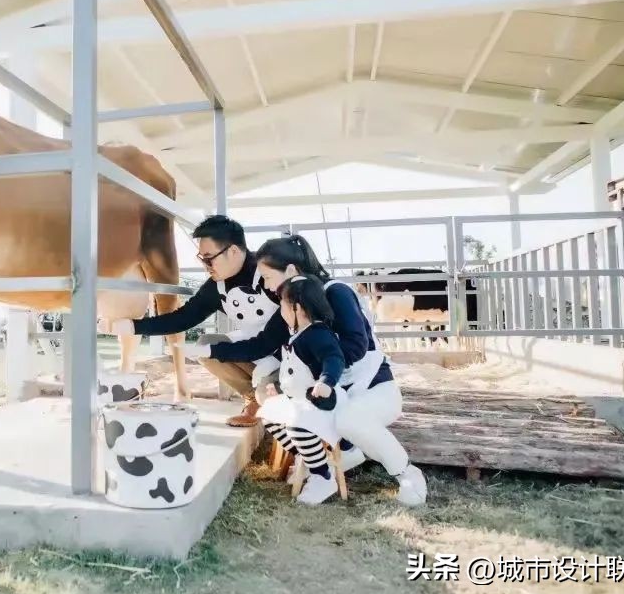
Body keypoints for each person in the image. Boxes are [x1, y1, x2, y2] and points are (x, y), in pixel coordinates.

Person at [183, 234, 428, 506]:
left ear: (290, 270)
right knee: (273, 410)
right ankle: (321, 467)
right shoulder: (291, 303)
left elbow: (355, 346)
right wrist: (209, 351)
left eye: (267, 277)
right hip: (330, 394)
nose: (266, 285)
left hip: (370, 387)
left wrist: (318, 374)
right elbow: (262, 344)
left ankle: (407, 474)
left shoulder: (335, 292)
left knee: (349, 420)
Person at [104, 215, 282, 426]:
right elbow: (182, 318)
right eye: (201, 259)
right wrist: (133, 326)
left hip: (293, 358)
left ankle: (273, 400)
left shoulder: (272, 274)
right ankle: (252, 397)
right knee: (205, 345)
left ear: (233, 251)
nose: (206, 266)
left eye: (209, 258)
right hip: (257, 350)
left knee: (270, 398)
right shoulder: (216, 286)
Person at [258, 274, 348, 505]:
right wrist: (280, 390)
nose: (281, 312)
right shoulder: (297, 335)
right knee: (269, 415)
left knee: (297, 422)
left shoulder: (318, 333)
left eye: (282, 306)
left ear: (296, 308)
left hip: (322, 402)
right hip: (301, 401)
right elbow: (294, 371)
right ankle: (309, 458)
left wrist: (326, 381)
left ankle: (322, 476)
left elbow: (334, 357)